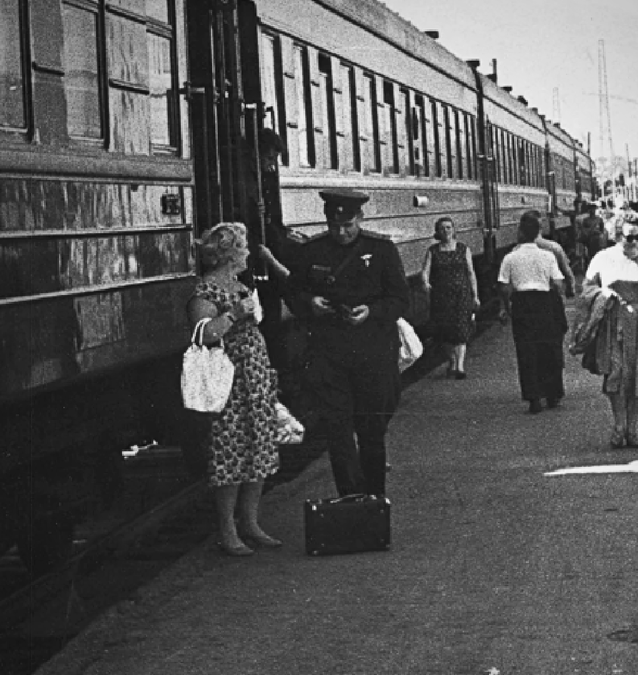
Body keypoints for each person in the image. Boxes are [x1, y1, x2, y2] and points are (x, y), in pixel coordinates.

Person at [291, 189, 409, 497]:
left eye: (347, 225)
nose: (341, 232)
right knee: (338, 432)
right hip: (329, 355)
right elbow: (292, 293)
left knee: (372, 431)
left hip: (373, 354)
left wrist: (372, 311)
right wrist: (310, 302)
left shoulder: (381, 250)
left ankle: (374, 498)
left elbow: (400, 300)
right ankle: (350, 497)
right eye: (334, 225)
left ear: (360, 218)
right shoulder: (311, 251)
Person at [186, 223, 281, 557]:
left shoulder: (242, 285)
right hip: (229, 381)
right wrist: (233, 315)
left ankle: (251, 523)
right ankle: (228, 529)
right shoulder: (206, 291)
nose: (246, 253)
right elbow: (203, 334)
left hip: (254, 377)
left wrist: (267, 370)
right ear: (228, 253)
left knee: (258, 449)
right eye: (242, 248)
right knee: (230, 452)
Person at [582, 214, 638, 447]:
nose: (633, 242)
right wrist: (602, 295)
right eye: (629, 237)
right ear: (617, 236)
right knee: (616, 374)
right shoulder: (602, 258)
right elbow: (586, 288)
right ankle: (619, 425)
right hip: (613, 322)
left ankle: (632, 428)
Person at [498, 211, 567, 414]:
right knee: (549, 348)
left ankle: (533, 398)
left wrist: (506, 306)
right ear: (538, 232)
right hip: (545, 302)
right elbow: (557, 283)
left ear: (520, 233)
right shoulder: (547, 256)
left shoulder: (510, 257)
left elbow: (503, 286)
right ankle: (552, 393)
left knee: (526, 351)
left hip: (521, 303)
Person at [420, 217, 480, 379]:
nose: (446, 231)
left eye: (448, 228)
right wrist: (425, 282)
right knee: (445, 332)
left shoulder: (463, 249)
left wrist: (475, 295)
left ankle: (460, 366)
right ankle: (452, 361)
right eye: (442, 228)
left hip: (461, 294)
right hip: (441, 296)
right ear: (437, 232)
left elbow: (470, 272)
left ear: (454, 230)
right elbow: (425, 270)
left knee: (461, 329)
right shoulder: (433, 251)